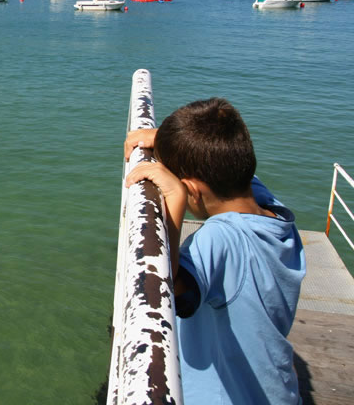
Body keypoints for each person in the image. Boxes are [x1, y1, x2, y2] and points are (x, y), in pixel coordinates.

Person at [124, 97, 306, 404]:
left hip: (230, 396)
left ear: (192, 190)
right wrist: (167, 139)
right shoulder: (275, 213)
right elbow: (224, 164)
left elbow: (172, 288)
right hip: (279, 392)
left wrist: (174, 201)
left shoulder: (222, 238)